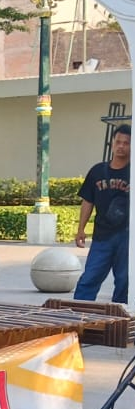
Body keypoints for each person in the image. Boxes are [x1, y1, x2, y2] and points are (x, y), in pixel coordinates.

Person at [74, 124, 130, 305]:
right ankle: (79, 317)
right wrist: (81, 228)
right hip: (102, 235)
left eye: (126, 143)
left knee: (124, 281)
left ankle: (122, 322)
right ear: (112, 143)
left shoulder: (133, 172)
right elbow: (87, 201)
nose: (121, 146)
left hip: (127, 236)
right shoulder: (97, 171)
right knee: (89, 278)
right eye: (118, 142)